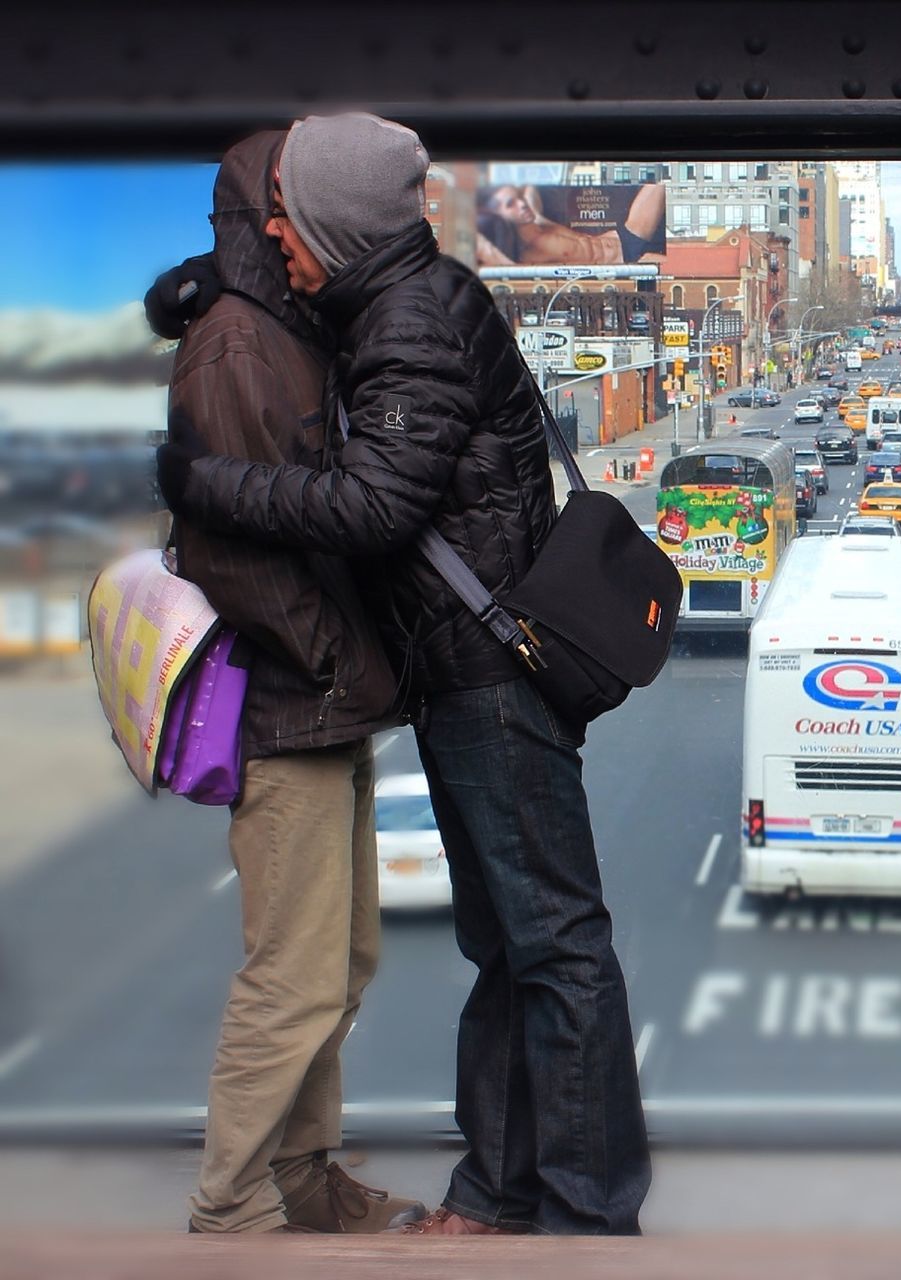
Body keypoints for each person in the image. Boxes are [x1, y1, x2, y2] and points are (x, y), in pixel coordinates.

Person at [154, 112, 651, 1237]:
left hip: (485, 678)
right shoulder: (409, 297)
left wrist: (206, 483)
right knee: (514, 948)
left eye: (291, 215)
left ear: (333, 224)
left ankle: (577, 1212)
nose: (275, 235)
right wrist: (212, 281)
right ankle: (503, 1191)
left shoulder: (409, 321)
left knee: (554, 949)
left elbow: (375, 506)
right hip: (473, 667)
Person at [156, 130, 426, 1235]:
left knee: (342, 957)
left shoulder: (287, 330)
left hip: (325, 699)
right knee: (294, 973)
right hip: (288, 703)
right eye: (283, 202)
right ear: (258, 217)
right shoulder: (237, 347)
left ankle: (307, 1174)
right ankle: (230, 1206)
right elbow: (233, 548)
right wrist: (330, 661)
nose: (293, 225)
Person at [476, 182, 665, 268]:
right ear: (498, 216)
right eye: (511, 204)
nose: (521, 204)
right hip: (627, 262)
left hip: (625, 236)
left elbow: (528, 184)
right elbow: (485, 251)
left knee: (660, 180)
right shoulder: (524, 253)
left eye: (518, 199)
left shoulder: (538, 221)